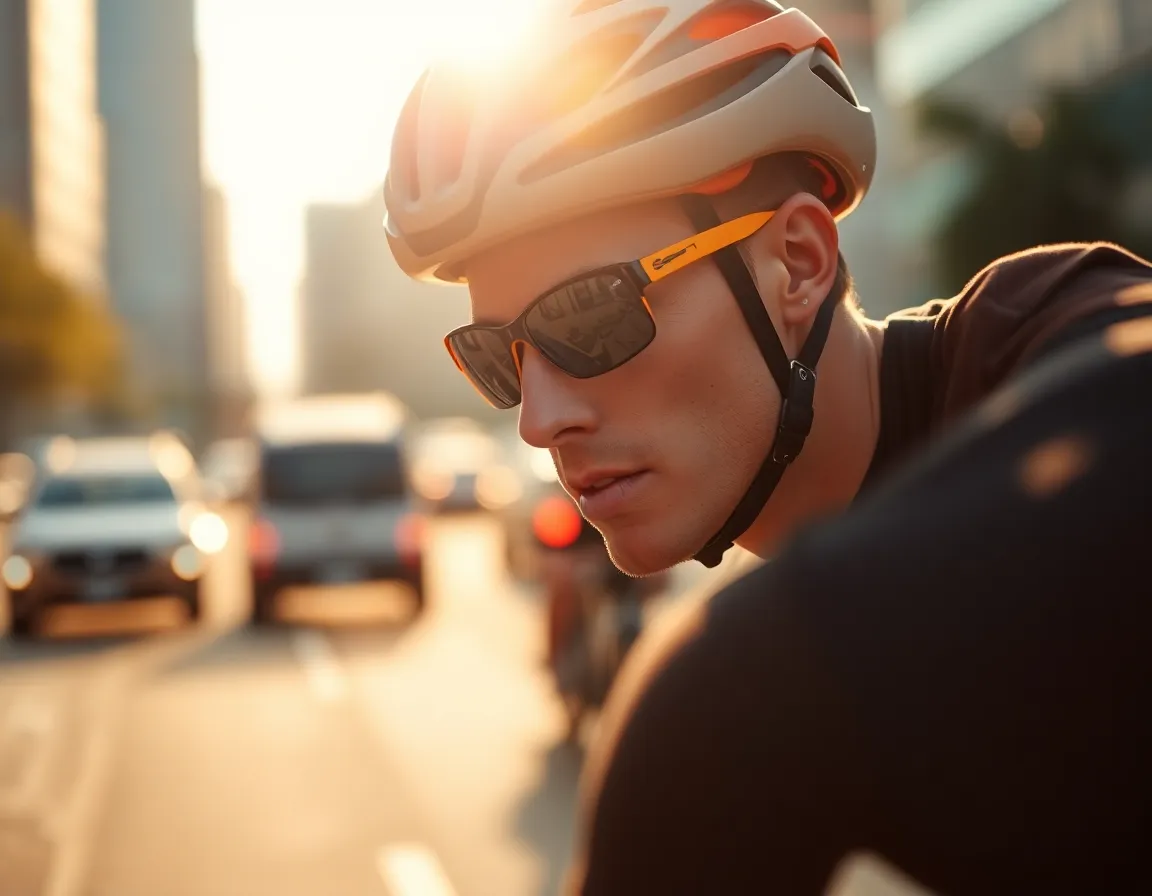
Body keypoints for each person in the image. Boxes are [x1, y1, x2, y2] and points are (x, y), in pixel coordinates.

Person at [380, 1, 1152, 891]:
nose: (538, 418)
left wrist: (736, 680)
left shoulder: (1039, 333)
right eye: (498, 355)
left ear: (798, 263)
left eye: (586, 318)